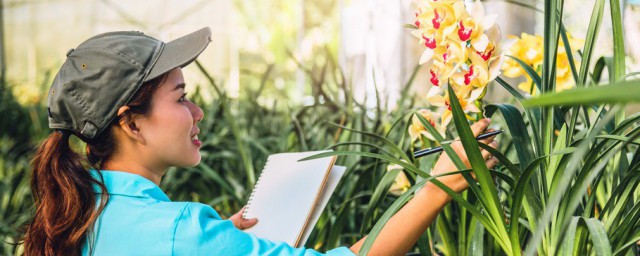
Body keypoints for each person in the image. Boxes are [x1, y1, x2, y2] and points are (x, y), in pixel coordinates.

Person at [21, 27, 499, 255]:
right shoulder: (182, 234)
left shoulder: (69, 220)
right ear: (131, 123)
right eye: (181, 97)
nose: (197, 112)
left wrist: (218, 241)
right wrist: (439, 186)